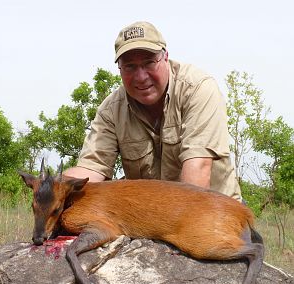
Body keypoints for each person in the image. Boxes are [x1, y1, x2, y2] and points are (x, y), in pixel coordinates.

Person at [65, 21, 242, 201]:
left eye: (149, 63)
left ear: (165, 57)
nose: (141, 77)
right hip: (154, 218)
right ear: (119, 68)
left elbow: (197, 173)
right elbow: (92, 169)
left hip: (215, 214)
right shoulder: (111, 110)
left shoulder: (197, 89)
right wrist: (54, 187)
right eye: (130, 66)